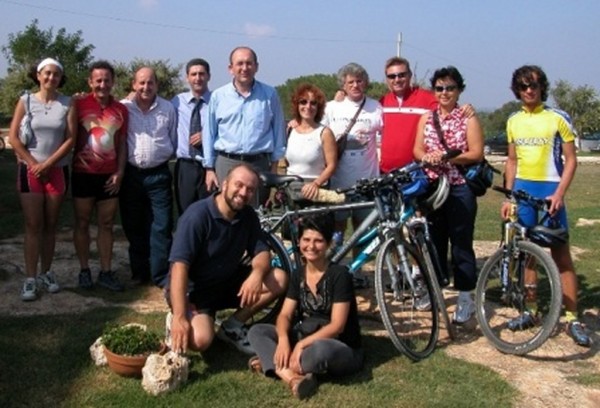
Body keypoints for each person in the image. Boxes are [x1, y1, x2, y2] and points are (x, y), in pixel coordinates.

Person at [502, 65, 591, 347]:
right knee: (528, 255)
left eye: (535, 85)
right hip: (524, 193)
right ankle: (530, 311)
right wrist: (509, 196)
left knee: (561, 255)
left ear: (542, 88)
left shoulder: (557, 117)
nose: (530, 90)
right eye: (524, 86)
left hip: (550, 193)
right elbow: (512, 161)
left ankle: (572, 317)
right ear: (517, 89)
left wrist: (560, 193)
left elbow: (571, 160)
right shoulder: (513, 120)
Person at [167, 164, 288, 355]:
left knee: (279, 278)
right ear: (224, 184)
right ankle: (178, 316)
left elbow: (263, 252)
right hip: (195, 292)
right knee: (201, 341)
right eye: (238, 185)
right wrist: (180, 316)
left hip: (226, 282)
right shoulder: (197, 216)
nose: (243, 192)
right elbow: (179, 268)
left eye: (250, 189)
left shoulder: (248, 215)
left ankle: (232, 326)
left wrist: (256, 275)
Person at [247, 214, 363, 400]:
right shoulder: (297, 274)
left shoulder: (340, 275)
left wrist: (300, 344)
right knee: (257, 331)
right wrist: (284, 340)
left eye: (318, 241)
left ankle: (273, 363)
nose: (311, 246)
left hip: (338, 345)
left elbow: (337, 326)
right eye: (306, 240)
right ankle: (292, 377)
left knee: (320, 351)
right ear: (299, 241)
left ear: (327, 244)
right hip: (304, 337)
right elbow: (284, 315)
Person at [413, 66, 484, 324]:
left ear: (459, 90)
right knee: (434, 241)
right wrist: (427, 157)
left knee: (461, 243)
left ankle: (465, 296)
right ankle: (436, 290)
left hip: (459, 186)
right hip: (433, 187)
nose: (445, 93)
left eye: (450, 88)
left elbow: (476, 153)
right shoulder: (427, 118)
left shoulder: (468, 118)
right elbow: (417, 149)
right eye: (440, 88)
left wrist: (448, 157)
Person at [7, 58, 77, 301]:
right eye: (47, 73)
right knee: (32, 224)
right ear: (38, 75)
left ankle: (46, 272)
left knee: (50, 225)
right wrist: (33, 163)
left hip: (56, 171)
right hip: (30, 171)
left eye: (56, 75)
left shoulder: (67, 103)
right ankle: (29, 277)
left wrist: (48, 164)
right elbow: (14, 137)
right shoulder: (25, 101)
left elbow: (70, 139)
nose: (51, 78)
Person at [322, 62, 383, 287]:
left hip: (367, 180)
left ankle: (357, 270)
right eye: (350, 82)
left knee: (362, 228)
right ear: (343, 86)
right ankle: (334, 266)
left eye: (359, 81)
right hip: (339, 181)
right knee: (338, 228)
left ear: (365, 82)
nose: (355, 85)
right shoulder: (332, 108)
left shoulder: (377, 107)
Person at [203, 46, 286, 206]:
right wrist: (209, 169)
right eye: (239, 63)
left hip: (259, 164)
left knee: (256, 215)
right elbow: (209, 134)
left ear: (256, 66)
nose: (244, 68)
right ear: (230, 68)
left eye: (249, 63)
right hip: (226, 162)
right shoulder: (218, 96)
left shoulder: (270, 94)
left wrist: (274, 167)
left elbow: (278, 132)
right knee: (226, 211)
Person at [72, 60, 128, 291]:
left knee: (106, 225)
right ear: (90, 81)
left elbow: (122, 144)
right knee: (82, 223)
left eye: (107, 80)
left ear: (113, 82)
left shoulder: (121, 109)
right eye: (98, 80)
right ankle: (84, 271)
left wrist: (120, 172)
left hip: (109, 176)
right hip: (82, 174)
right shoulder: (77, 105)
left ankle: (106, 271)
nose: (102, 84)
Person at [120, 67, 176, 287]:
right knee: (134, 225)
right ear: (134, 84)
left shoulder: (167, 108)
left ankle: (160, 275)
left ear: (156, 85)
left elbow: (172, 140)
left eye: (150, 83)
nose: (145, 87)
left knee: (161, 226)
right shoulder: (124, 108)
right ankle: (139, 273)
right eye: (141, 83)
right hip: (131, 175)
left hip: (158, 175)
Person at [171, 58, 212, 215]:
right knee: (186, 212)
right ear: (187, 77)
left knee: (209, 212)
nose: (198, 78)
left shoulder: (217, 101)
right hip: (185, 165)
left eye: (202, 74)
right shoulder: (177, 102)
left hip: (209, 167)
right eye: (193, 74)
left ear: (209, 76)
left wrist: (207, 135)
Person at [285, 84, 337, 201]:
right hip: (291, 188)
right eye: (303, 102)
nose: (308, 106)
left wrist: (316, 184)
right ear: (297, 105)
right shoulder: (290, 130)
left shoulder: (325, 132)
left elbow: (332, 165)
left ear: (319, 107)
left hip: (315, 190)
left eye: (313, 103)